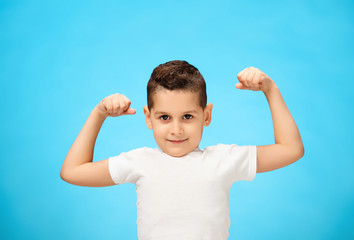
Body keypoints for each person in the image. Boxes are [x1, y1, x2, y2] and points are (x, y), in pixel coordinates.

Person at [60, 60, 304, 240]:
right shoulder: (139, 162)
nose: (176, 129)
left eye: (187, 116)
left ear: (206, 115)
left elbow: (290, 149)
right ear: (148, 117)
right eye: (164, 117)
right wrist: (99, 114)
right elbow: (73, 171)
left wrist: (270, 89)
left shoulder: (224, 159)